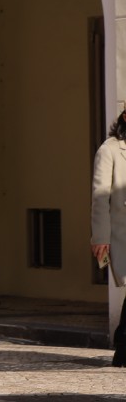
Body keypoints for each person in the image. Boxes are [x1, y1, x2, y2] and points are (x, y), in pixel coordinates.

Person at [92, 108, 126, 366]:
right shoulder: (110, 150)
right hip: (121, 234)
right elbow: (100, 198)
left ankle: (122, 345)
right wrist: (100, 237)